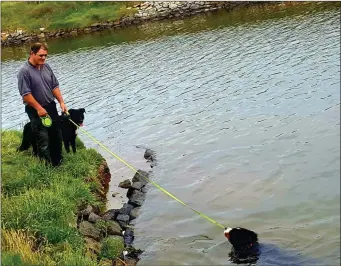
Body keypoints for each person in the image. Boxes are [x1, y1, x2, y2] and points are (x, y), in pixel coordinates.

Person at [18, 42, 67, 166]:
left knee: (56, 135)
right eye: (41, 55)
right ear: (32, 53)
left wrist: (61, 102)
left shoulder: (46, 66)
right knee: (43, 138)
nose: (44, 58)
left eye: (45, 55)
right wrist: (39, 108)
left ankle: (57, 162)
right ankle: (46, 166)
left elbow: (54, 86)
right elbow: (26, 94)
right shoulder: (24, 71)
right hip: (35, 110)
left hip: (50, 106)